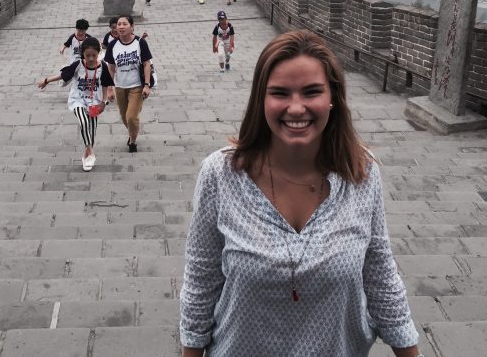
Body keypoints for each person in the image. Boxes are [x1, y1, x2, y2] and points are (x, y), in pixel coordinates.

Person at [180, 31, 421, 357]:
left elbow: (379, 275)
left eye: (311, 92)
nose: (296, 108)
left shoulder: (361, 175)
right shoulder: (221, 174)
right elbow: (200, 284)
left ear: (332, 97)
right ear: (261, 100)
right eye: (280, 93)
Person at [38, 37, 112, 171]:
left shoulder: (103, 67)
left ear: (98, 53)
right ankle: (91, 152)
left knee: (92, 128)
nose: (90, 58)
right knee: (83, 122)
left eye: (93, 55)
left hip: (94, 101)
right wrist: (46, 80)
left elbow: (106, 84)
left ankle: (87, 154)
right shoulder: (78, 64)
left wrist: (103, 102)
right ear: (83, 54)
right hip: (77, 99)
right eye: (87, 55)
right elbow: (63, 75)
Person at [104, 15, 153, 153]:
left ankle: (132, 141)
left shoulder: (140, 42)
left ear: (132, 26)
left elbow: (146, 63)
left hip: (136, 85)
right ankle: (133, 132)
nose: (121, 27)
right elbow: (111, 67)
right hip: (120, 86)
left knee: (131, 116)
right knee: (125, 117)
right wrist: (109, 89)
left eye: (124, 24)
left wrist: (147, 85)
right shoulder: (113, 45)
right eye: (119, 24)